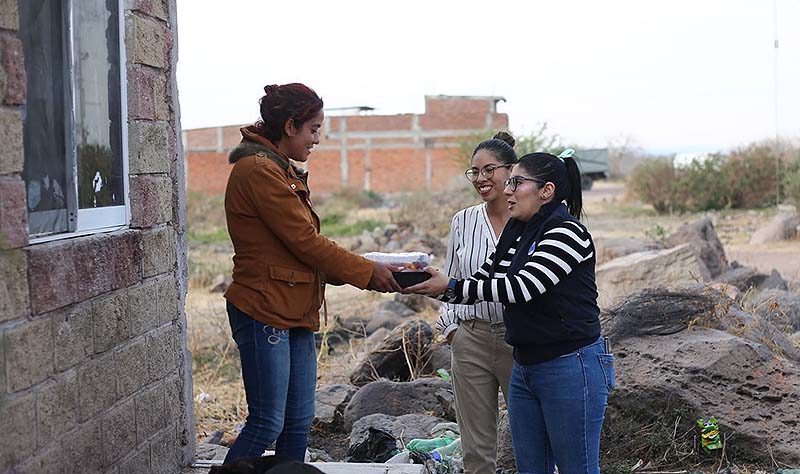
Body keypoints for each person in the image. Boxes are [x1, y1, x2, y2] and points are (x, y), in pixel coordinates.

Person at [223, 83, 402, 463]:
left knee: (298, 422)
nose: (317, 139)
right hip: (264, 309)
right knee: (267, 423)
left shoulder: (278, 167)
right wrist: (368, 272)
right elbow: (305, 242)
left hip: (293, 307)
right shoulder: (258, 170)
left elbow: (301, 247)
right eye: (313, 129)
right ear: (291, 125)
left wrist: (357, 267)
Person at [407, 150, 615, 474]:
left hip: (570, 366)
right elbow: (487, 277)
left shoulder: (567, 233)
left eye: (516, 182)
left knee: (577, 468)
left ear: (546, 191)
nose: (507, 190)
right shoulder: (519, 231)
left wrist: (453, 286)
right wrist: (437, 283)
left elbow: (521, 287)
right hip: (526, 366)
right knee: (531, 467)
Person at [434, 132, 516, 474]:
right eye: (475, 172)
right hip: (470, 340)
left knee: (533, 437)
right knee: (477, 451)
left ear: (512, 171)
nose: (481, 179)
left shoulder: (530, 219)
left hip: (521, 341)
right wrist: (452, 330)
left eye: (490, 170)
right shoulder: (463, 221)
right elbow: (449, 281)